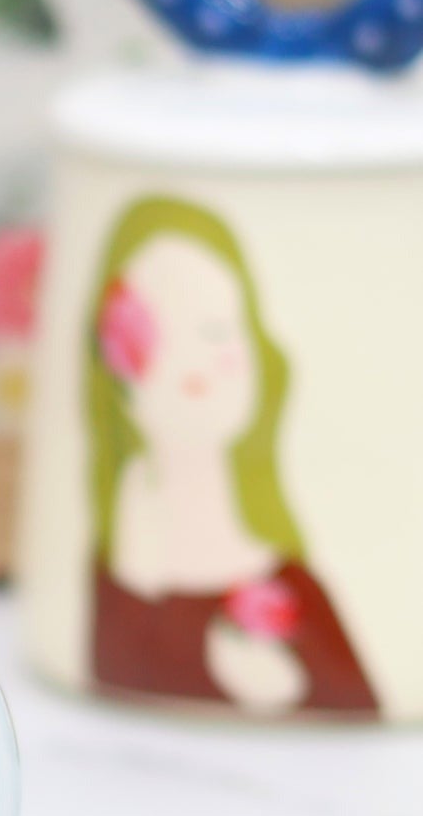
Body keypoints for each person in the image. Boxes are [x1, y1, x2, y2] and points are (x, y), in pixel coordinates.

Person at [86, 196, 376, 715]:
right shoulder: (117, 573)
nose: (190, 363)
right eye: (155, 335)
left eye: (216, 332)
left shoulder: (296, 589)